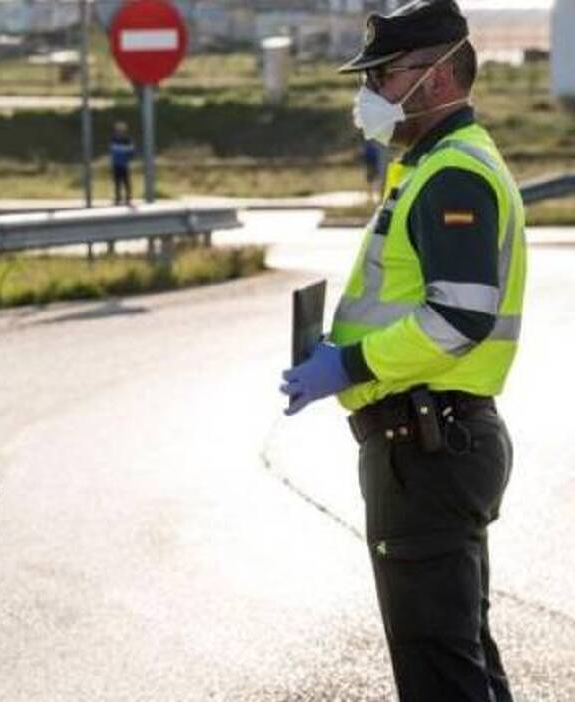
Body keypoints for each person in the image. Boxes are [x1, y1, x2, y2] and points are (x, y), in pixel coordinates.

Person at [280, 2, 526, 700]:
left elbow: (458, 317)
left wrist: (346, 366)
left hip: (427, 447)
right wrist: (337, 352)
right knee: (461, 659)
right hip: (433, 441)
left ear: (440, 76)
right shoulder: (434, 167)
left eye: (384, 76)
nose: (370, 94)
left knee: (441, 673)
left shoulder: (453, 174)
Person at [110, 121, 135, 206]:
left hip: (124, 163)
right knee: (117, 182)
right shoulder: (114, 138)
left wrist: (127, 155)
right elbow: (113, 150)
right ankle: (118, 198)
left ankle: (128, 198)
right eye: (118, 130)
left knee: (126, 181)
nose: (119, 131)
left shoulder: (127, 139)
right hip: (116, 163)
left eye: (121, 130)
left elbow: (131, 150)